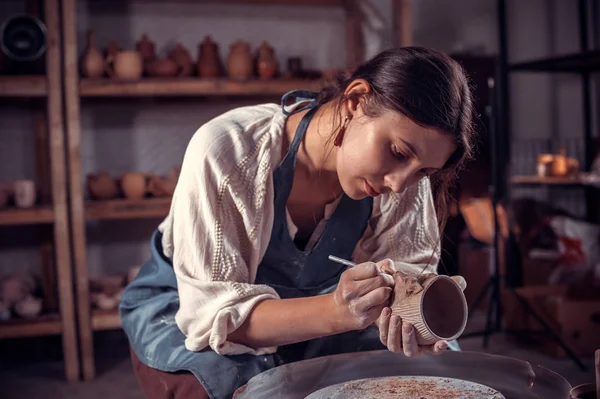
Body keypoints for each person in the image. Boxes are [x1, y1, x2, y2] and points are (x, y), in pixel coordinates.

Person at [120, 46, 476, 399]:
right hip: (192, 310)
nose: (399, 185)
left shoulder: (403, 182)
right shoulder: (228, 149)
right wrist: (338, 312)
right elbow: (212, 315)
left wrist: (416, 319)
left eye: (423, 172)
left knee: (437, 378)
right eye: (397, 152)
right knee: (248, 388)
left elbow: (405, 281)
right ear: (355, 102)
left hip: (328, 313)